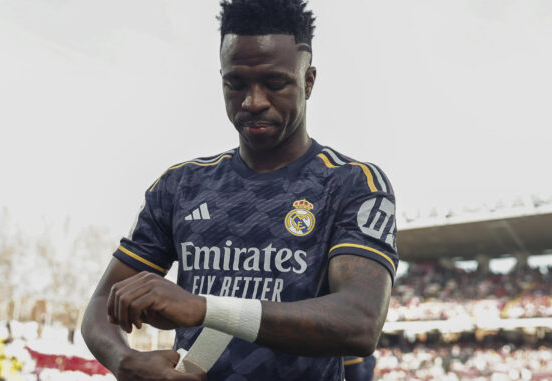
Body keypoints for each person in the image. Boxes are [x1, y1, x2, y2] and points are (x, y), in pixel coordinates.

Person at [81, 0, 398, 380]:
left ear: (309, 81)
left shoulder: (351, 184)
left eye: (275, 83)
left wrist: (204, 309)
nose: (253, 102)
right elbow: (101, 303)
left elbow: (359, 321)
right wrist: (124, 360)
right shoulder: (181, 186)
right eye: (236, 83)